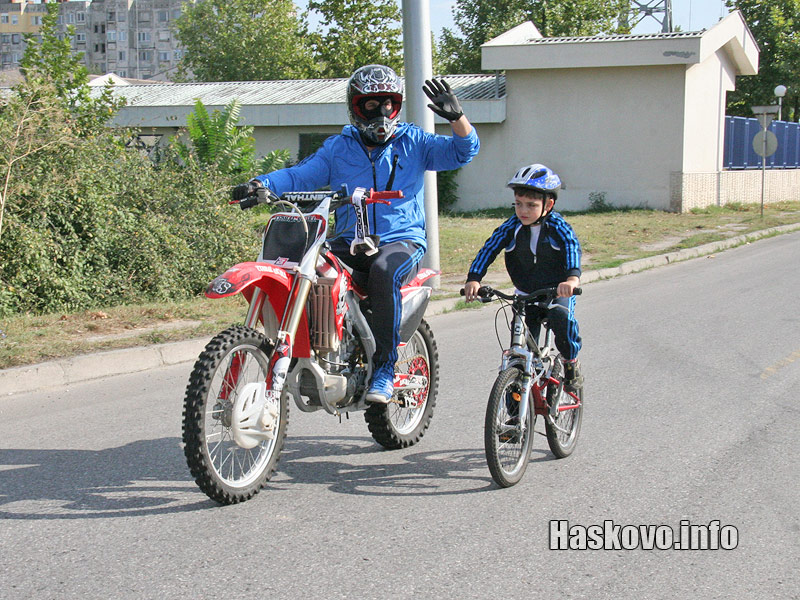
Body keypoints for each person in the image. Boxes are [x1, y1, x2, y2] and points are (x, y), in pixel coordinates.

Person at [232, 64, 480, 403]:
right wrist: (263, 184)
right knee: (306, 266)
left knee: (383, 271)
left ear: (398, 105)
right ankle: (312, 346)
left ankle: (384, 369)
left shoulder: (415, 141)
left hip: (400, 239)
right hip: (349, 238)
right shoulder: (338, 147)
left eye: (388, 104)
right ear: (354, 107)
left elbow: (463, 151)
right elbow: (301, 175)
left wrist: (458, 118)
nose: (381, 113)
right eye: (370, 105)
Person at [463, 164, 583, 389]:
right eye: (518, 204)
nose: (523, 211)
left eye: (531, 205)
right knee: (520, 351)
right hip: (525, 293)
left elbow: (571, 246)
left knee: (561, 318)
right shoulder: (512, 226)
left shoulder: (558, 226)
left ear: (548, 205)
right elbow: (490, 248)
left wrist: (571, 279)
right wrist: (474, 278)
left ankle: (570, 362)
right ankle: (514, 404)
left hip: (556, 291)